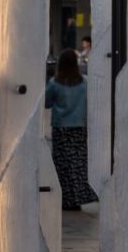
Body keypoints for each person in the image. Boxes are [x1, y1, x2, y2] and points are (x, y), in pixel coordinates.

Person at [45, 49, 98, 211]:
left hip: (61, 128)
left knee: (62, 164)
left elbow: (46, 103)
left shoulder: (55, 83)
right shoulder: (85, 82)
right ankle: (78, 198)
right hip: (80, 127)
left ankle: (65, 198)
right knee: (78, 163)